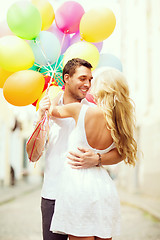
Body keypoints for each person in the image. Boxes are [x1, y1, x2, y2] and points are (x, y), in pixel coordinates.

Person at [26, 58, 123, 240]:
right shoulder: (48, 109)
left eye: (90, 79)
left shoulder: (95, 110)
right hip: (53, 194)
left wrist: (98, 159)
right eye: (82, 78)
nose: (87, 84)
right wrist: (41, 118)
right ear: (66, 78)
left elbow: (120, 153)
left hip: (85, 194)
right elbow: (33, 154)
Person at [48, 66, 138, 240]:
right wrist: (98, 159)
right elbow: (121, 153)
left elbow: (53, 112)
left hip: (77, 188)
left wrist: (55, 95)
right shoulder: (119, 123)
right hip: (104, 188)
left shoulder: (79, 110)